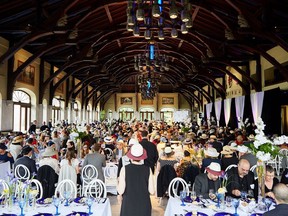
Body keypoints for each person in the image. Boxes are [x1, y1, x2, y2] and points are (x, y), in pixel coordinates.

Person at [117, 144, 154, 216]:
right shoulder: (148, 169)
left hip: (129, 203)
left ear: (130, 156)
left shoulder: (124, 169)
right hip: (144, 203)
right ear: (142, 157)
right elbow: (152, 191)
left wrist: (117, 183)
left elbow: (120, 190)